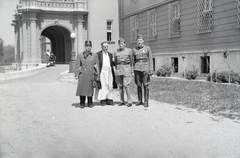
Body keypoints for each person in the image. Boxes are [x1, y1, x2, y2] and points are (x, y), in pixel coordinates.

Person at [75, 40, 99, 108]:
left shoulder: (94, 55)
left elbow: (97, 66)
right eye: (87, 46)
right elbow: (77, 65)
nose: (88, 48)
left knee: (90, 89)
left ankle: (90, 102)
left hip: (91, 74)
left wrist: (97, 75)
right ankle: (82, 103)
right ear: (85, 46)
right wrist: (76, 75)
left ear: (91, 47)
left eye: (89, 46)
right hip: (83, 74)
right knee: (82, 89)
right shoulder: (80, 55)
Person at [132, 34, 153, 107]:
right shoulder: (134, 49)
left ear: (143, 41)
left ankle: (146, 101)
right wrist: (132, 71)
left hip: (145, 68)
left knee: (145, 85)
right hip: (137, 69)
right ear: (136, 42)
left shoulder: (147, 48)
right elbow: (133, 61)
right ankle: (140, 100)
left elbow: (150, 59)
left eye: (140, 40)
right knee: (138, 85)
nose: (139, 42)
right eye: (138, 41)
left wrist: (151, 69)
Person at [95, 41, 117, 106]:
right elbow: (96, 64)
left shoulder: (110, 54)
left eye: (107, 47)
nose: (106, 48)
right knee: (103, 86)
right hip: (102, 71)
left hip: (109, 71)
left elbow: (112, 63)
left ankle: (109, 99)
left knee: (110, 85)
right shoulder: (98, 54)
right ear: (101, 47)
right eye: (104, 47)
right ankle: (103, 99)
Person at [114, 38, 133, 107]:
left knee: (126, 85)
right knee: (120, 86)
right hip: (119, 69)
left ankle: (129, 101)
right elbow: (115, 62)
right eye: (119, 44)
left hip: (126, 69)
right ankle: (121, 100)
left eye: (122, 44)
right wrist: (116, 69)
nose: (121, 45)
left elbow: (131, 61)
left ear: (125, 44)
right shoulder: (116, 52)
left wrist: (131, 70)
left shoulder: (129, 51)